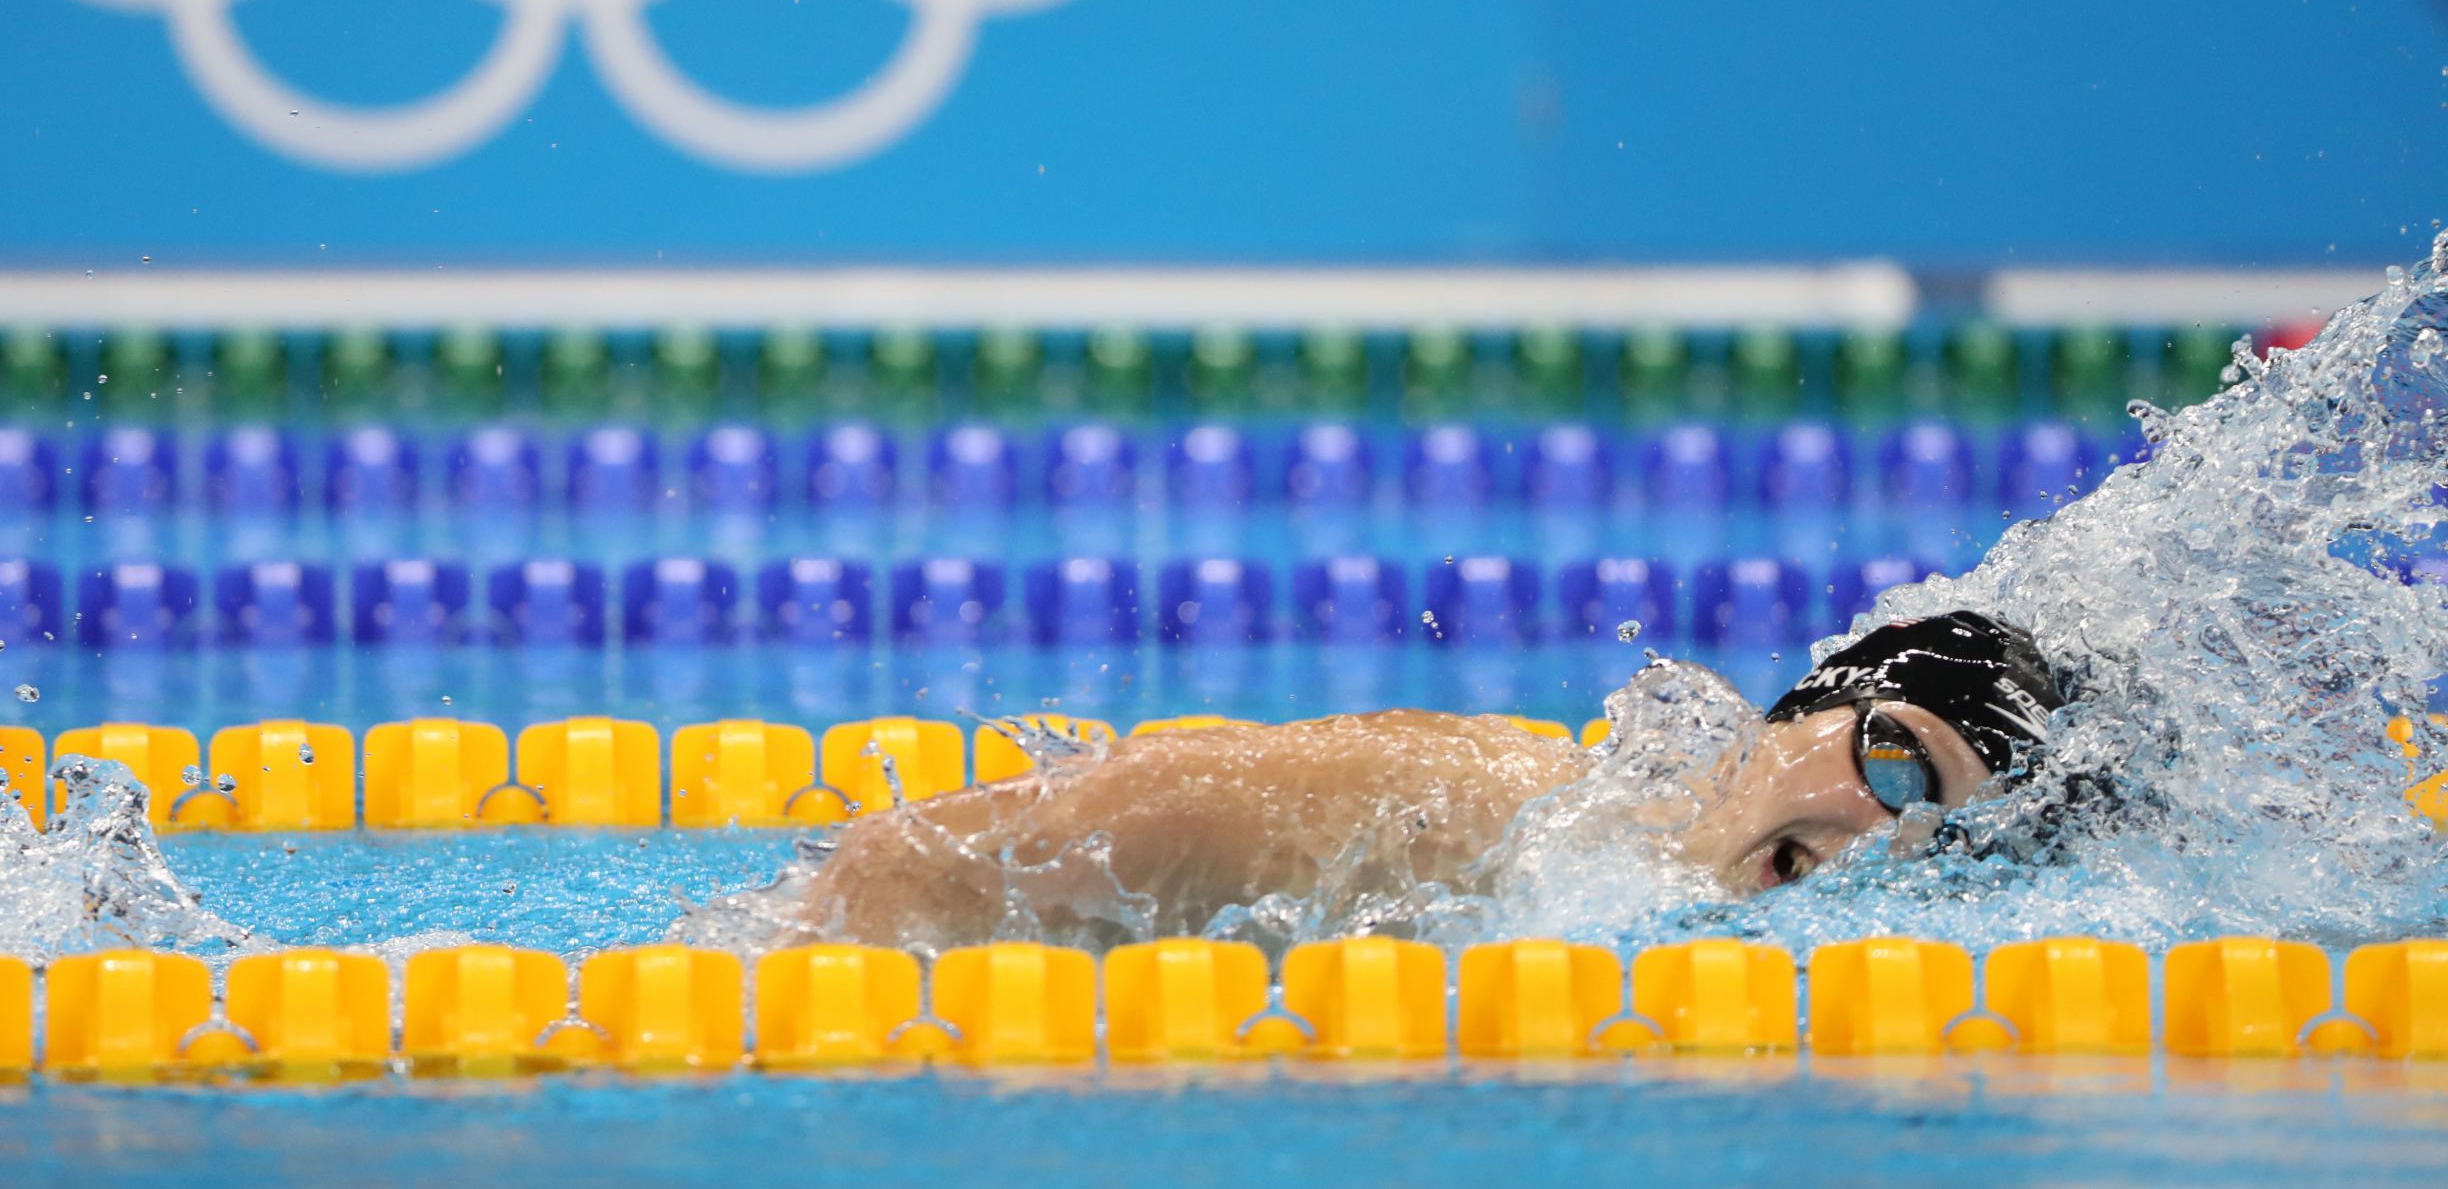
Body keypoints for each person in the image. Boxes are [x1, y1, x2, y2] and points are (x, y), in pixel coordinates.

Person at [795, 611, 2065, 948]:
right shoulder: (1440, 805)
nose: (1887, 838)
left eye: (1944, 839)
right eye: (1898, 764)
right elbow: (895, 864)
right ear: (1794, 713)